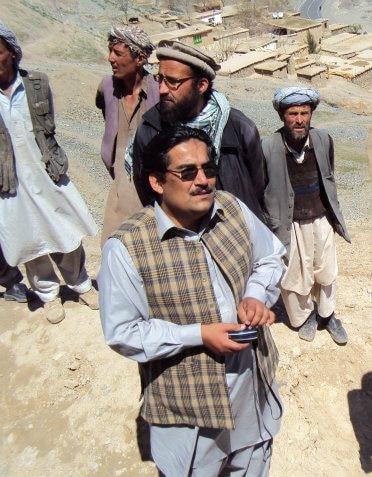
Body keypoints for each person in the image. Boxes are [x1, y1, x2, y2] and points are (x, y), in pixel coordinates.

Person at [99, 125, 284, 477]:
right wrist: (199, 335)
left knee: (251, 450)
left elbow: (270, 257)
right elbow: (123, 332)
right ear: (156, 182)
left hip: (249, 372)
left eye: (208, 168)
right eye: (187, 172)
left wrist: (255, 296)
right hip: (188, 393)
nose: (203, 180)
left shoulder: (231, 208)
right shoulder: (127, 247)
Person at [0, 21, 98, 324]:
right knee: (29, 240)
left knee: (66, 230)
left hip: (46, 172)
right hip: (10, 181)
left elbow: (48, 128)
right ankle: (48, 295)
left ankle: (80, 284)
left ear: (12, 54)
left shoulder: (37, 84)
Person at [128, 40, 266, 221]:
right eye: (160, 79)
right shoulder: (150, 131)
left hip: (237, 233)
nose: (161, 89)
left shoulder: (239, 128)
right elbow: (148, 194)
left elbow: (257, 186)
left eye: (172, 81)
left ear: (201, 85)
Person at [263, 87, 351, 344]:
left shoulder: (323, 140)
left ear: (311, 114)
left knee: (326, 271)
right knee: (294, 276)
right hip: (289, 224)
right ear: (282, 116)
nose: (299, 119)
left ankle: (328, 315)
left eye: (304, 113)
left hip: (320, 218)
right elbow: (262, 188)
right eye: (293, 113)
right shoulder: (268, 147)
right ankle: (305, 317)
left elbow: (329, 176)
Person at [96, 25, 158, 244]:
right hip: (120, 183)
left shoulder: (158, 92)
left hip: (151, 188)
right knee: (114, 246)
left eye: (118, 53)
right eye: (110, 51)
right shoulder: (107, 88)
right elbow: (110, 122)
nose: (110, 58)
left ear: (140, 59)